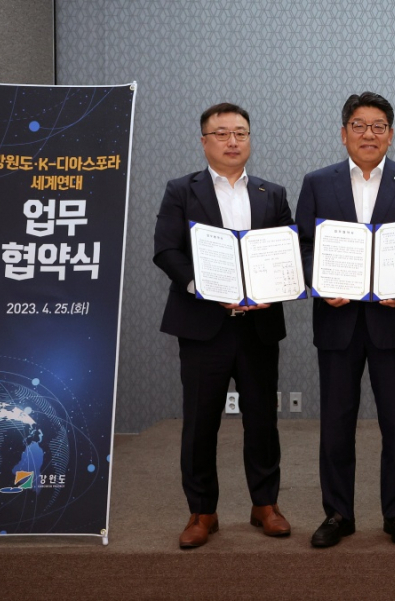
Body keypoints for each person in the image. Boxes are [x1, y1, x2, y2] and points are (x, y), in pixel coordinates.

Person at [296, 92, 395, 548]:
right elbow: (301, 246)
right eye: (359, 126)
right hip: (337, 322)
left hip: (394, 321)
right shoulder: (318, 182)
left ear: (391, 135)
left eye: (379, 126)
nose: (369, 134)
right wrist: (321, 283)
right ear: (343, 134)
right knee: (336, 423)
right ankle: (338, 514)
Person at [153, 102, 293, 548]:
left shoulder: (272, 193)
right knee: (200, 423)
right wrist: (200, 286)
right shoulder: (181, 190)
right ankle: (202, 512)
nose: (233, 142)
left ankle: (264, 504)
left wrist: (276, 285)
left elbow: (286, 253)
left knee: (262, 419)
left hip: (258, 326)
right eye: (222, 134)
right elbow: (166, 250)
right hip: (203, 325)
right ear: (204, 141)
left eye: (241, 133)